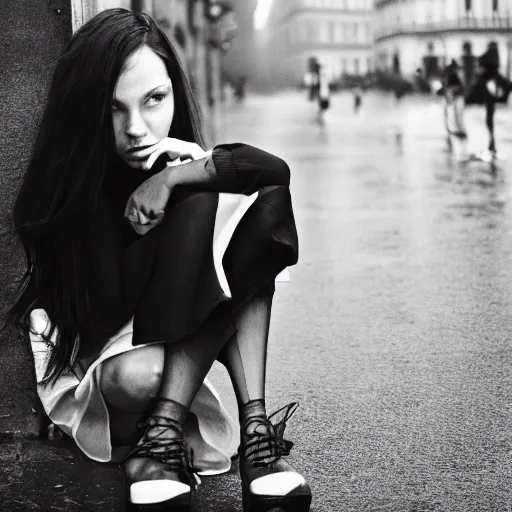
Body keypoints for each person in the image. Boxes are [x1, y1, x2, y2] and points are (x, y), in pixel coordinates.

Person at [6, 9, 311, 512]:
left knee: (252, 203)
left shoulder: (170, 161)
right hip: (110, 369)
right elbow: (105, 315)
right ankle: (164, 434)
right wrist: (189, 199)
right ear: (87, 110)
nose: (136, 128)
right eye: (114, 110)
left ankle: (252, 435)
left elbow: (274, 172)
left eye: (154, 100)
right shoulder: (67, 192)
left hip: (171, 346)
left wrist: (182, 175)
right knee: (143, 372)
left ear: (174, 90)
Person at [466, 42, 512, 159]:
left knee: (487, 123)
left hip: (487, 100)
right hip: (487, 100)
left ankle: (490, 147)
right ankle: (490, 147)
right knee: (488, 123)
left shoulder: (487, 74)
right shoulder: (491, 71)